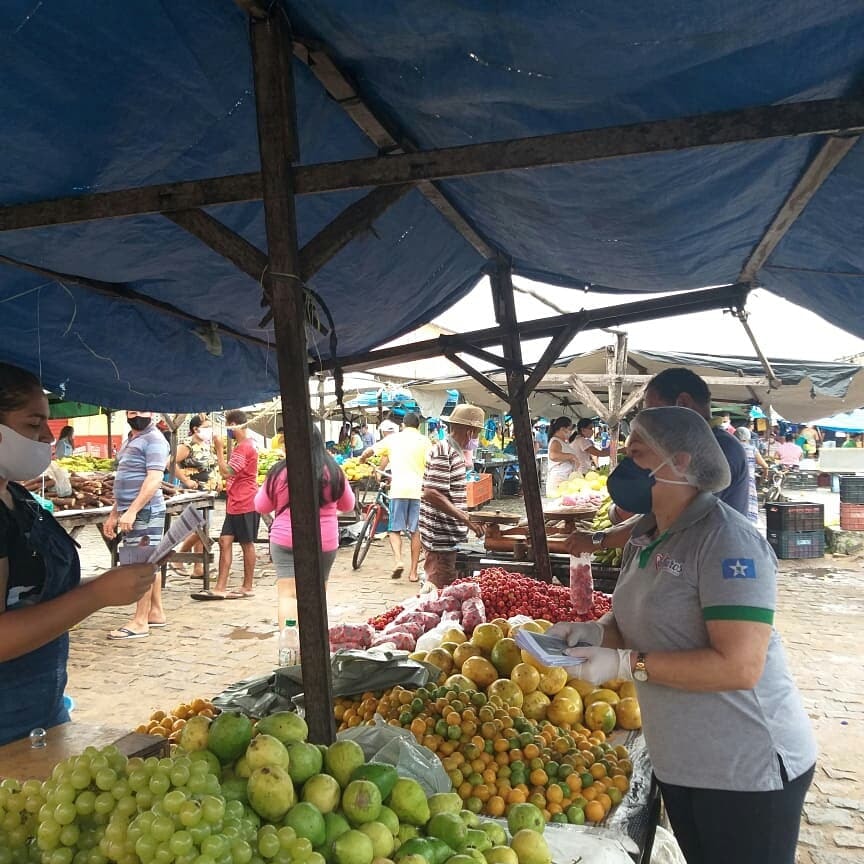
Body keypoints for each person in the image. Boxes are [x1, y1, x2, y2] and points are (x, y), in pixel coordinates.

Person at [550, 407, 816, 864]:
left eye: (637, 454)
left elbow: (740, 666)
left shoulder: (726, 541)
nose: (624, 466)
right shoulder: (646, 534)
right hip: (682, 760)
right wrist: (594, 632)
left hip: (745, 767)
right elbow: (632, 618)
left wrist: (625, 664)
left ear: (680, 462)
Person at [0, 362, 157, 744]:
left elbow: (32, 590)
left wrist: (105, 583)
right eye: (33, 424)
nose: (46, 437)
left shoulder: (17, 496)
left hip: (43, 707)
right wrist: (97, 595)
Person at [565, 367, 750, 556]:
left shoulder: (718, 449)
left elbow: (673, 517)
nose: (650, 423)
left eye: (654, 413)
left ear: (682, 403)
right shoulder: (690, 445)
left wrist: (600, 539)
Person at [255, 426, 355, 627]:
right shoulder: (333, 470)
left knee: (288, 595)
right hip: (324, 540)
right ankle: (315, 642)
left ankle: (290, 643)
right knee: (318, 595)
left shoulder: (279, 471)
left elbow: (261, 506)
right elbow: (348, 505)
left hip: (285, 539)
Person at [103, 410, 171, 639]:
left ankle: (140, 621)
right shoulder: (131, 439)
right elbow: (125, 479)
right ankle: (155, 612)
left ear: (151, 413)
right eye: (132, 411)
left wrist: (132, 511)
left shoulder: (154, 440)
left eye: (141, 410)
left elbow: (154, 479)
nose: (137, 415)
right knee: (150, 560)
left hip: (146, 511)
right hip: (130, 509)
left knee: (142, 564)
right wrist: (115, 513)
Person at [419, 404, 486, 588]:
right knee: (440, 592)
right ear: (470, 432)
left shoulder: (453, 452)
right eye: (477, 433)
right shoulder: (444, 452)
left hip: (448, 539)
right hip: (440, 542)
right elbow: (432, 492)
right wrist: (465, 518)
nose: (476, 438)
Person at [359, 412, 430, 582]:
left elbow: (370, 451)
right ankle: (413, 572)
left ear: (403, 425)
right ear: (419, 426)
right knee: (416, 531)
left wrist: (362, 458)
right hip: (419, 491)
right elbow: (431, 463)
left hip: (399, 490)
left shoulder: (393, 439)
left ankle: (398, 561)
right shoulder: (425, 441)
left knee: (394, 530)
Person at [195, 410, 258, 599]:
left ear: (232, 425)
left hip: (245, 502)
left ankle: (247, 586)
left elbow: (226, 472)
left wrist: (219, 450)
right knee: (224, 541)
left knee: (246, 543)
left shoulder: (244, 448)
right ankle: (220, 587)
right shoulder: (245, 445)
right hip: (235, 502)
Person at [171, 414, 216, 577]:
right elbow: (170, 462)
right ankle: (179, 556)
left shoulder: (206, 444)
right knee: (200, 528)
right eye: (206, 427)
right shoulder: (187, 445)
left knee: (203, 528)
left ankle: (198, 567)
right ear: (195, 429)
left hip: (207, 493)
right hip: (194, 493)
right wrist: (185, 480)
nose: (209, 430)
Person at [733, 426, 769, 524]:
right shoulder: (752, 449)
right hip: (748, 482)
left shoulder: (732, 448)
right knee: (749, 506)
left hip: (734, 482)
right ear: (748, 437)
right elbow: (765, 466)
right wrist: (764, 477)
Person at [545, 417, 580, 497]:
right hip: (558, 480)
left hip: (564, 479)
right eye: (570, 429)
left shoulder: (562, 441)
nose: (571, 432)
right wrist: (571, 456)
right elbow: (553, 456)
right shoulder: (555, 441)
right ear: (562, 429)